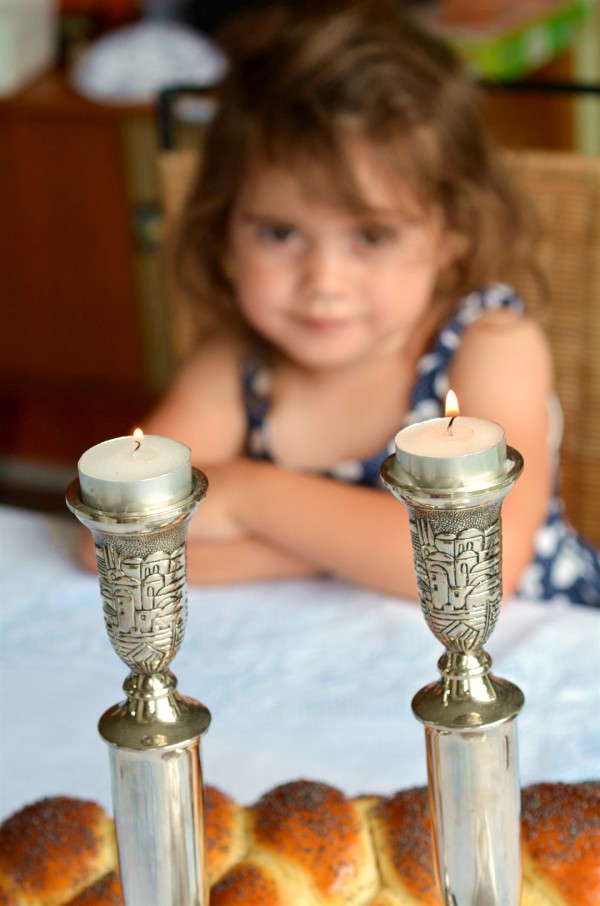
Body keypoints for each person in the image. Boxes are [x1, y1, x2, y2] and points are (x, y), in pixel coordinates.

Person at [142, 0, 599, 605]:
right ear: (223, 229)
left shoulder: (489, 347)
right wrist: (356, 553)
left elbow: (481, 565)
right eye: (280, 233)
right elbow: (122, 544)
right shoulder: (234, 364)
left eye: (372, 236)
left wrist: (248, 495)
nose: (324, 282)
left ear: (452, 232)